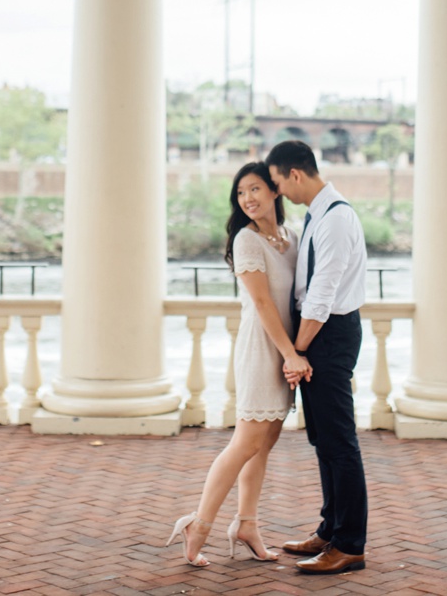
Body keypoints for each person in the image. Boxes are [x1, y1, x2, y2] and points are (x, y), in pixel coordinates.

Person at [167, 162, 311, 567]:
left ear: (275, 191)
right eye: (241, 193)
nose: (247, 199)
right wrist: (290, 355)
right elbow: (264, 305)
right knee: (245, 443)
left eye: (255, 190)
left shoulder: (291, 237)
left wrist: (296, 351)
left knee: (264, 444)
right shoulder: (246, 241)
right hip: (263, 348)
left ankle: (247, 524)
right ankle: (200, 523)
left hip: (286, 349)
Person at [267, 139, 368, 575]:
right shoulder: (317, 215)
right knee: (323, 440)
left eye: (277, 183)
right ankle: (330, 529)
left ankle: (349, 545)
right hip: (320, 335)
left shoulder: (336, 219)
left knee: (340, 442)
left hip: (327, 335)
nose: (278, 193)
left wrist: (299, 352)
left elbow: (322, 295)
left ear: (295, 174)